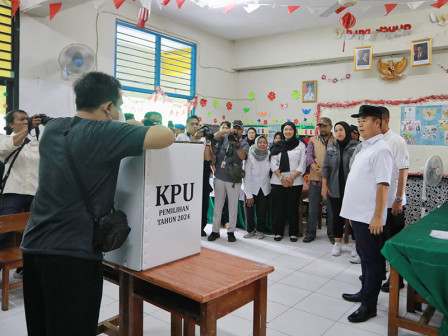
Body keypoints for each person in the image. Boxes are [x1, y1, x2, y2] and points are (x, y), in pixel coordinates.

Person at [20, 72, 175, 336]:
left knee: (41, 326)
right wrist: (134, 123)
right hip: (72, 254)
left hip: (33, 246)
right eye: (120, 106)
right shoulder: (105, 132)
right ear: (108, 106)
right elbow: (166, 135)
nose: (120, 111)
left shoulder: (53, 129)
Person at [340, 105, 393, 323]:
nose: (360, 124)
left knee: (373, 261)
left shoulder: (382, 149)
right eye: (359, 120)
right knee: (364, 257)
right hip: (358, 214)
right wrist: (351, 213)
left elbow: (383, 185)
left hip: (369, 217)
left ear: (378, 123)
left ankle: (369, 306)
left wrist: (378, 216)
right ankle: (364, 292)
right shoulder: (365, 147)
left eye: (365, 120)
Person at [0, 110, 42, 278]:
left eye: (28, 119)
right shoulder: (4, 139)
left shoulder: (36, 144)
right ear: (11, 124)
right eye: (22, 119)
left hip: (35, 193)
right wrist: (29, 127)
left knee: (32, 232)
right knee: (3, 231)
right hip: (14, 192)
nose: (26, 121)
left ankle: (23, 268)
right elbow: (12, 144)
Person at [379, 107, 409, 293]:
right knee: (380, 241)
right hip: (378, 204)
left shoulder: (397, 141)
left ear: (386, 121)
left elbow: (403, 170)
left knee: (393, 242)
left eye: (377, 121)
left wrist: (398, 198)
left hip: (393, 202)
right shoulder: (374, 141)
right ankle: (380, 273)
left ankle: (397, 279)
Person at [321, 122, 359, 260]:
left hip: (352, 188)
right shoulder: (331, 146)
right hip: (335, 187)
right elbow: (326, 167)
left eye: (341, 130)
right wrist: (324, 185)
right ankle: (337, 243)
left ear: (347, 131)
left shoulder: (357, 146)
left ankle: (356, 244)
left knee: (353, 218)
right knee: (337, 216)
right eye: (336, 130)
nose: (339, 133)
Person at [208, 120, 249, 242]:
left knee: (232, 206)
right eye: (234, 128)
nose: (236, 130)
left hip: (234, 180)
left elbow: (243, 157)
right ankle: (215, 231)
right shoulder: (224, 137)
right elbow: (214, 137)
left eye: (239, 128)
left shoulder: (244, 142)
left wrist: (237, 145)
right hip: (220, 176)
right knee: (218, 206)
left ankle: (231, 231)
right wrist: (226, 130)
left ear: (242, 130)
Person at [176, 115, 213, 237]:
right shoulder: (181, 136)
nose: (195, 126)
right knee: (187, 201)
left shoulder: (203, 139)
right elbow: (183, 151)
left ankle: (201, 226)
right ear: (186, 125)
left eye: (197, 124)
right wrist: (195, 138)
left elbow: (207, 158)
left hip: (201, 172)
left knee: (203, 201)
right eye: (192, 124)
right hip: (186, 173)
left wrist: (207, 143)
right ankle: (185, 227)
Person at [270, 121, 306, 242]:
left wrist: (291, 178)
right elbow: (273, 163)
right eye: (285, 129)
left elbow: (302, 164)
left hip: (295, 182)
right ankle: (278, 231)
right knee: (278, 207)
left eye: (290, 129)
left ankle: (293, 232)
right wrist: (281, 178)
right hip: (278, 180)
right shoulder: (277, 145)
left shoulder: (300, 145)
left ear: (294, 131)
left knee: (292, 208)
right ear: (282, 131)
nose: (288, 131)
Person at [303, 117, 335, 244]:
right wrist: (316, 168)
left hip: (331, 182)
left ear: (330, 127)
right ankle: (311, 233)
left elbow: (336, 159)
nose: (322, 128)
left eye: (325, 126)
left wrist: (326, 172)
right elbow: (309, 157)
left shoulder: (336, 140)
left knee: (332, 210)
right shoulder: (312, 140)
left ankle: (332, 234)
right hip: (315, 180)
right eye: (320, 126)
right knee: (312, 209)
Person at [243, 136, 270, 240]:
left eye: (264, 142)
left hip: (264, 187)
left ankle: (260, 231)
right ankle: (250, 231)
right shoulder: (250, 156)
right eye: (260, 142)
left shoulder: (269, 155)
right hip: (251, 187)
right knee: (249, 211)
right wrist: (248, 195)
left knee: (262, 211)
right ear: (255, 144)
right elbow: (246, 176)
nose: (262, 144)